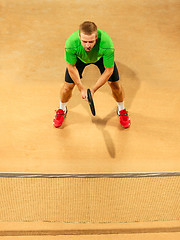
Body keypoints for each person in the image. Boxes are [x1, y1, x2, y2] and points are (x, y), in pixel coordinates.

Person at [53, 21, 130, 128]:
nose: (88, 45)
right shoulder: (71, 43)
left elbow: (108, 71)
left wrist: (93, 90)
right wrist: (81, 88)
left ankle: (121, 109)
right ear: (79, 37)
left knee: (115, 85)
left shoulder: (106, 44)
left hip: (100, 57)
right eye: (84, 41)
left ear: (96, 37)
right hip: (80, 59)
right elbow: (71, 67)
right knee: (67, 87)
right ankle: (62, 109)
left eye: (91, 41)